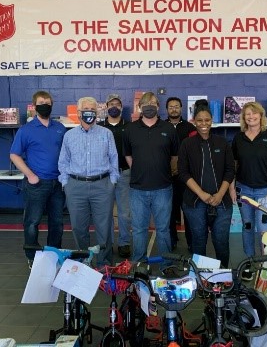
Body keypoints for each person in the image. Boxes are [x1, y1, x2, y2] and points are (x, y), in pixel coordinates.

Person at [58, 96, 119, 266]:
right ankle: (82, 262)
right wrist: (66, 183)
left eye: (93, 109)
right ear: (78, 113)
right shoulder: (69, 136)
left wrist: (112, 181)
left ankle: (104, 265)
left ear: (98, 112)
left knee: (104, 228)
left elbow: (114, 159)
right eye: (86, 109)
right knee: (78, 227)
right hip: (75, 187)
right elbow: (63, 162)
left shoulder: (107, 134)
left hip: (102, 186)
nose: (89, 113)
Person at [10, 90, 67, 269]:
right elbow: (14, 155)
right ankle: (32, 257)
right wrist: (30, 175)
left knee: (57, 223)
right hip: (37, 185)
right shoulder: (26, 130)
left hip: (58, 184)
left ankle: (54, 255)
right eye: (41, 102)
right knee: (32, 222)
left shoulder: (60, 128)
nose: (45, 105)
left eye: (48, 102)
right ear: (34, 106)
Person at [123, 92, 179, 268]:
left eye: (152, 103)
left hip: (163, 188)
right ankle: (138, 264)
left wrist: (161, 172)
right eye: (145, 103)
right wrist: (141, 170)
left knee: (163, 229)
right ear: (140, 107)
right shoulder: (130, 129)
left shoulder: (169, 128)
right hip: (137, 189)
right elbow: (128, 155)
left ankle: (167, 265)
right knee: (139, 230)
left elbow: (174, 156)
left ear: (158, 106)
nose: (149, 106)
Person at [230, 102, 267, 280]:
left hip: (265, 192)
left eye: (254, 114)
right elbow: (233, 166)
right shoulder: (238, 138)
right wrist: (232, 188)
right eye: (247, 115)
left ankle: (265, 265)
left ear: (261, 116)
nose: (251, 117)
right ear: (243, 118)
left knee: (264, 231)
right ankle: (250, 263)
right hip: (244, 190)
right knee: (247, 226)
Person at [178, 100, 235, 268]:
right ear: (194, 121)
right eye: (200, 120)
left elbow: (230, 170)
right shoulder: (187, 144)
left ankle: (223, 276)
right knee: (198, 240)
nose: (204, 124)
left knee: (221, 241)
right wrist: (202, 194)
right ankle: (200, 277)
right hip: (195, 202)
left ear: (212, 121)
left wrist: (220, 194)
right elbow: (183, 172)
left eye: (207, 120)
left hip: (222, 202)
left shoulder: (222, 143)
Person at [99, 93, 132, 258]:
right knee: (106, 212)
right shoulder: (99, 127)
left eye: (117, 104)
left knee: (125, 213)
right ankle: (108, 243)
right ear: (106, 107)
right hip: (104, 175)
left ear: (121, 107)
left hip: (123, 173)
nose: (114, 107)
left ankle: (124, 243)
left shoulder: (129, 126)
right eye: (111, 104)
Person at [165, 97, 196, 251]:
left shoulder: (190, 127)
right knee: (169, 210)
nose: (174, 109)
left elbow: (195, 150)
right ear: (166, 110)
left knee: (188, 210)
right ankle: (172, 240)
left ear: (181, 108)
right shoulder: (161, 126)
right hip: (166, 176)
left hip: (186, 177)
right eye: (171, 107)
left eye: (176, 106)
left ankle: (191, 241)